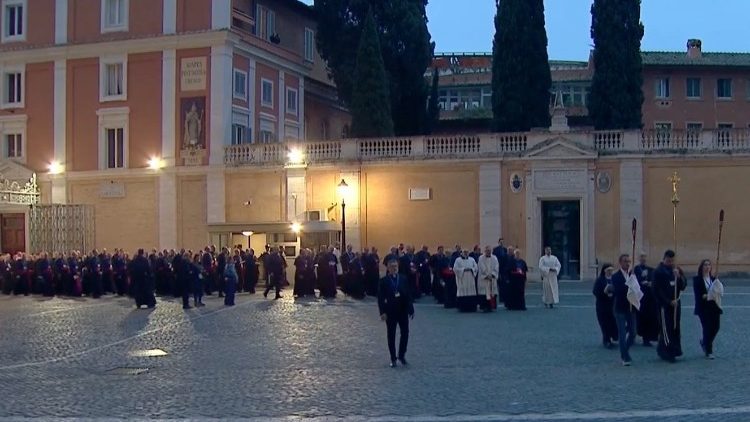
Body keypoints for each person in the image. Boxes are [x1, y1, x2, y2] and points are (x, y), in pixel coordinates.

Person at [377, 259, 414, 368]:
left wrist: (411, 308)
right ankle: (393, 358)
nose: (394, 268)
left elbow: (408, 294)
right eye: (392, 266)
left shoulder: (403, 279)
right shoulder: (383, 281)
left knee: (405, 333)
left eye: (396, 266)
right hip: (390, 311)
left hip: (402, 310)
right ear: (388, 268)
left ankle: (401, 355)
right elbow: (380, 298)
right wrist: (382, 312)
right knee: (391, 335)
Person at [653, 250, 687, 363]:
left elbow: (683, 286)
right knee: (666, 328)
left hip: (676, 304)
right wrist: (668, 302)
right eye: (668, 260)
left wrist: (679, 277)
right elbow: (656, 290)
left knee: (675, 327)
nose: (671, 262)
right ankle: (667, 352)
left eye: (672, 260)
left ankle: (675, 350)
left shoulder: (677, 270)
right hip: (664, 305)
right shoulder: (658, 272)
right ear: (664, 259)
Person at [609, 254, 641, 366]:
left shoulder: (632, 275)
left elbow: (637, 289)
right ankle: (625, 357)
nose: (627, 263)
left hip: (631, 308)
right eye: (625, 261)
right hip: (620, 308)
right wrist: (630, 284)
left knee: (633, 333)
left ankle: (625, 351)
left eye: (629, 261)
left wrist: (634, 282)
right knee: (622, 334)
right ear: (620, 263)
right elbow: (619, 291)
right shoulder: (616, 276)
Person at [693, 259, 724, 359]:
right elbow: (698, 293)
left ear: (711, 267)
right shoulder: (697, 279)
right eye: (705, 265)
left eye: (709, 265)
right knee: (707, 328)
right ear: (701, 267)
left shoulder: (713, 279)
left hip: (713, 306)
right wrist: (705, 295)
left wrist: (717, 283)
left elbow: (718, 291)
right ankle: (709, 351)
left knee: (716, 327)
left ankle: (705, 342)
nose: (707, 267)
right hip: (703, 307)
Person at [634, 254, 658, 347]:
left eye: (644, 257)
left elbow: (654, 279)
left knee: (651, 318)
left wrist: (650, 283)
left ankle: (649, 337)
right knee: (641, 318)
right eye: (641, 257)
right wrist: (641, 282)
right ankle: (643, 337)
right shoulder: (636, 269)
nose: (643, 258)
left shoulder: (651, 269)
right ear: (639, 258)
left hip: (650, 297)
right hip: (641, 298)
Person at [593, 264, 618, 349]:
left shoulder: (614, 279)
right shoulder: (600, 280)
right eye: (609, 270)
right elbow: (595, 291)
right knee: (604, 323)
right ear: (605, 271)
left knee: (613, 323)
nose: (610, 272)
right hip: (602, 306)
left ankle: (612, 337)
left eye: (611, 270)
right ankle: (606, 340)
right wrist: (604, 292)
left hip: (612, 305)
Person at [477, 246, 499, 312]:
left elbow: (496, 266)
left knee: (491, 292)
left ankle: (491, 307)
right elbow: (481, 267)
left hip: (492, 278)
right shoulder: (481, 258)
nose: (488, 252)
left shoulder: (494, 258)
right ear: (485, 251)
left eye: (489, 250)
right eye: (487, 251)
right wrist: (486, 275)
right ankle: (484, 307)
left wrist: (492, 274)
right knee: (484, 293)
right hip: (484, 279)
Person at [492, 238, 508, 303]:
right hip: (497, 268)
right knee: (496, 283)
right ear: (498, 242)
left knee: (503, 284)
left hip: (503, 269)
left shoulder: (505, 249)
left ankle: (502, 298)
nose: (501, 243)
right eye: (500, 242)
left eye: (502, 242)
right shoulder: (495, 249)